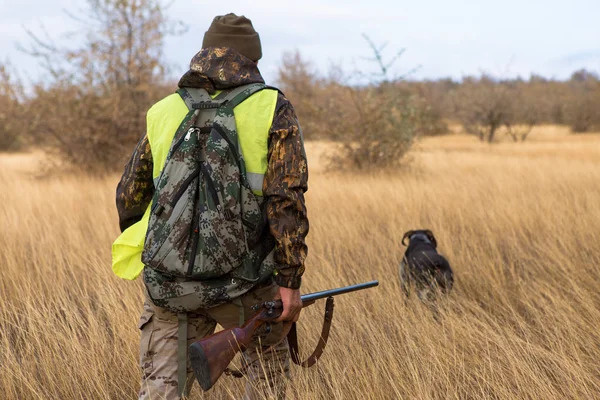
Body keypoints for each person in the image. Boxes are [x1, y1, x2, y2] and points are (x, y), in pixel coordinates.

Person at [111, 13, 309, 400]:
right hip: (245, 281)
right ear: (253, 58)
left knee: (160, 391)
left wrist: (164, 246)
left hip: (168, 282)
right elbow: (286, 201)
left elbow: (129, 196)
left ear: (202, 54)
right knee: (267, 375)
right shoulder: (271, 107)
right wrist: (290, 281)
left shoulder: (164, 109)